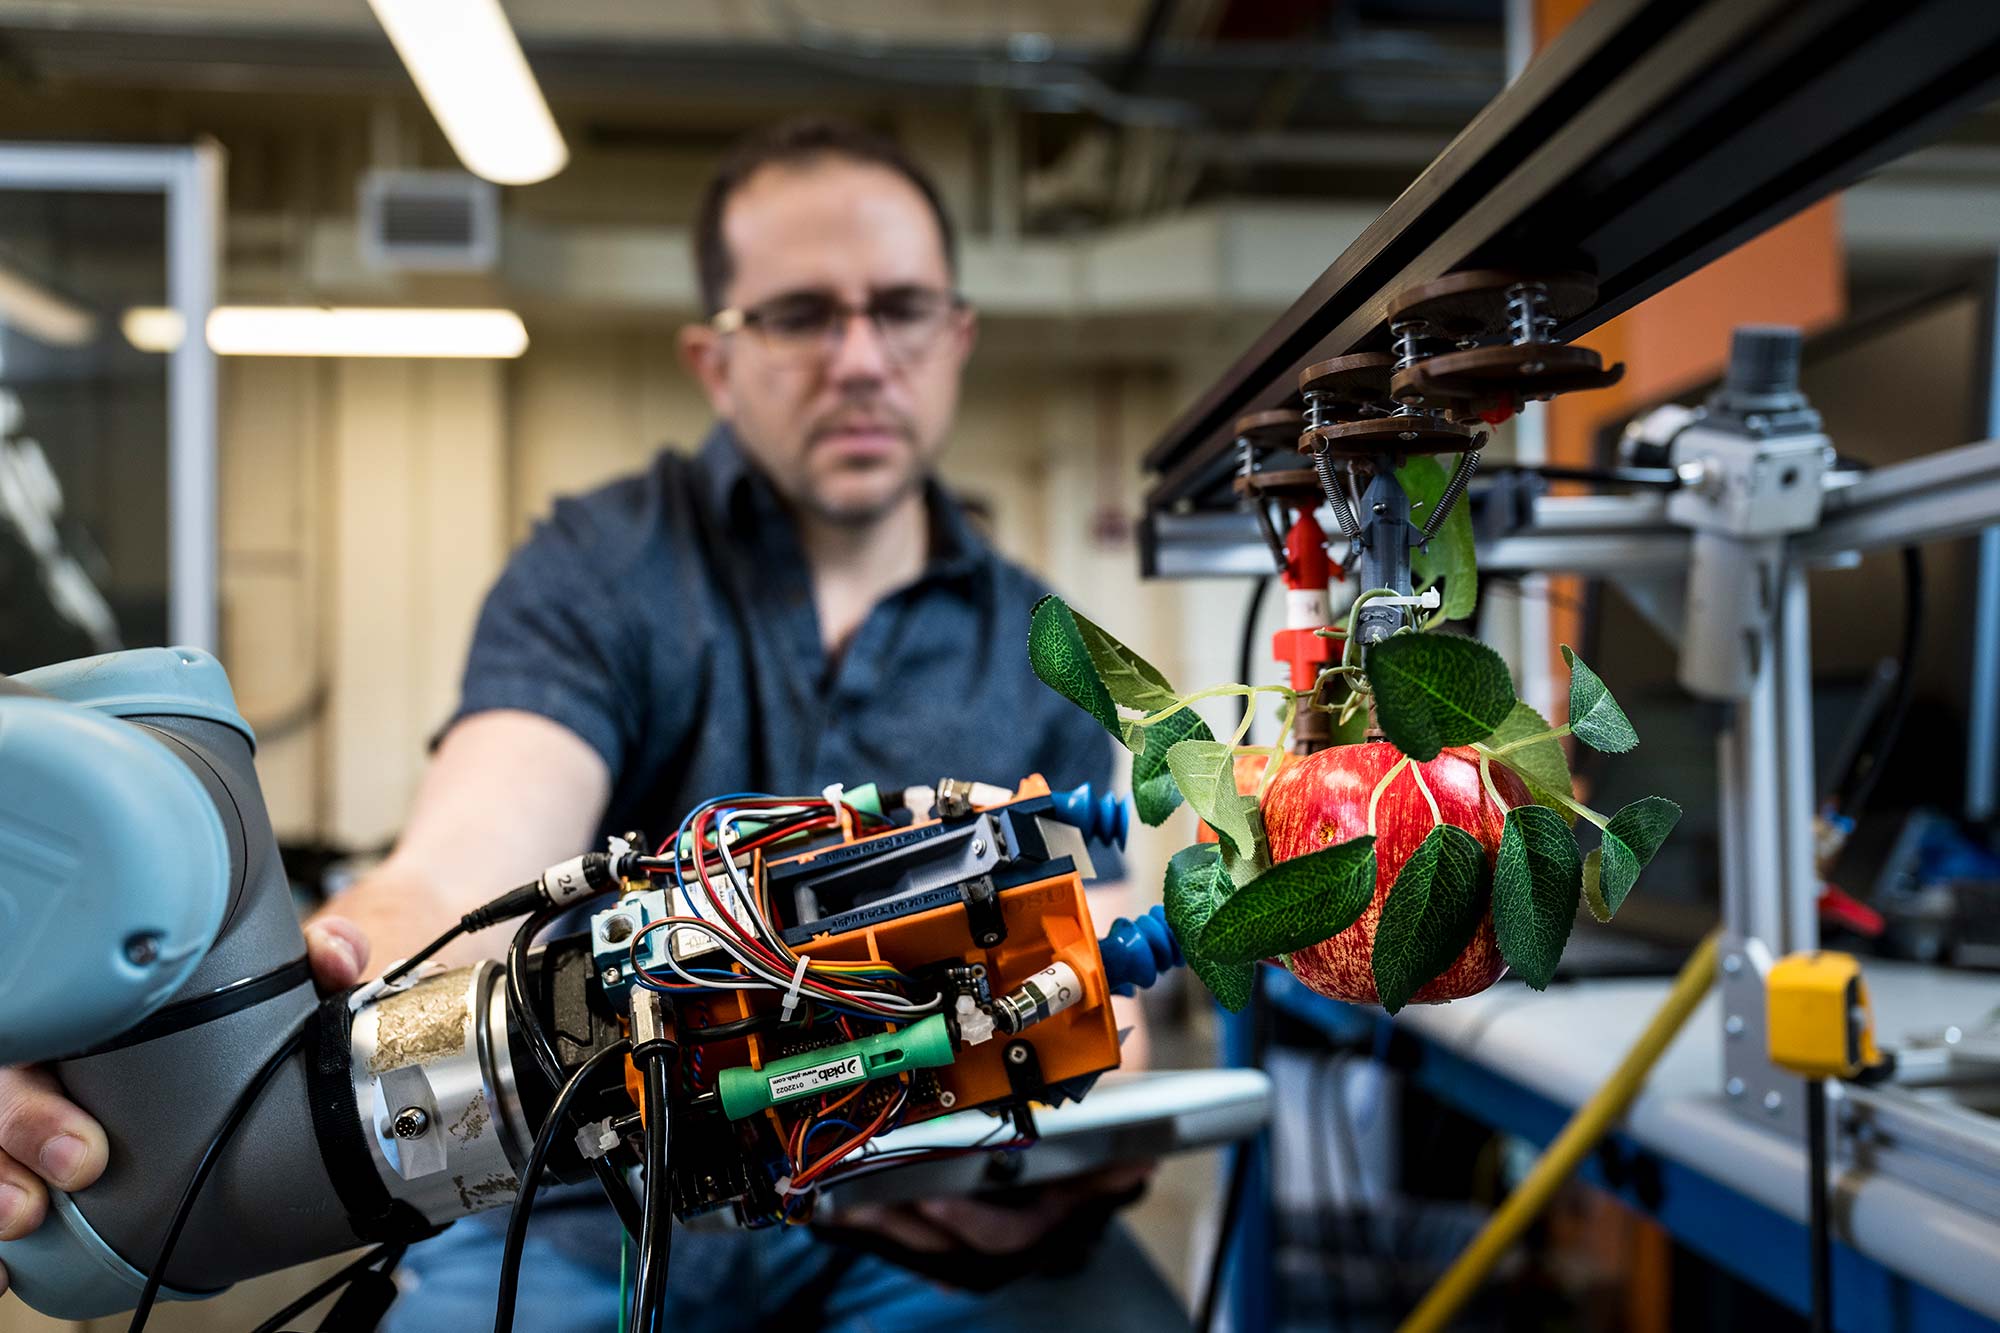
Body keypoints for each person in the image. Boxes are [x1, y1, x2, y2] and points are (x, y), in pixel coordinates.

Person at [0, 118, 1185, 1331]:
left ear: (956, 335)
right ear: (712, 360)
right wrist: (177, 1056)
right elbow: (459, 866)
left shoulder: (1044, 648)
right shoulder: (599, 571)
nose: (860, 358)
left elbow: (1089, 964)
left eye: (900, 309)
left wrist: (1050, 1133)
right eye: (798, 316)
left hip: (903, 1217)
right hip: (582, 1201)